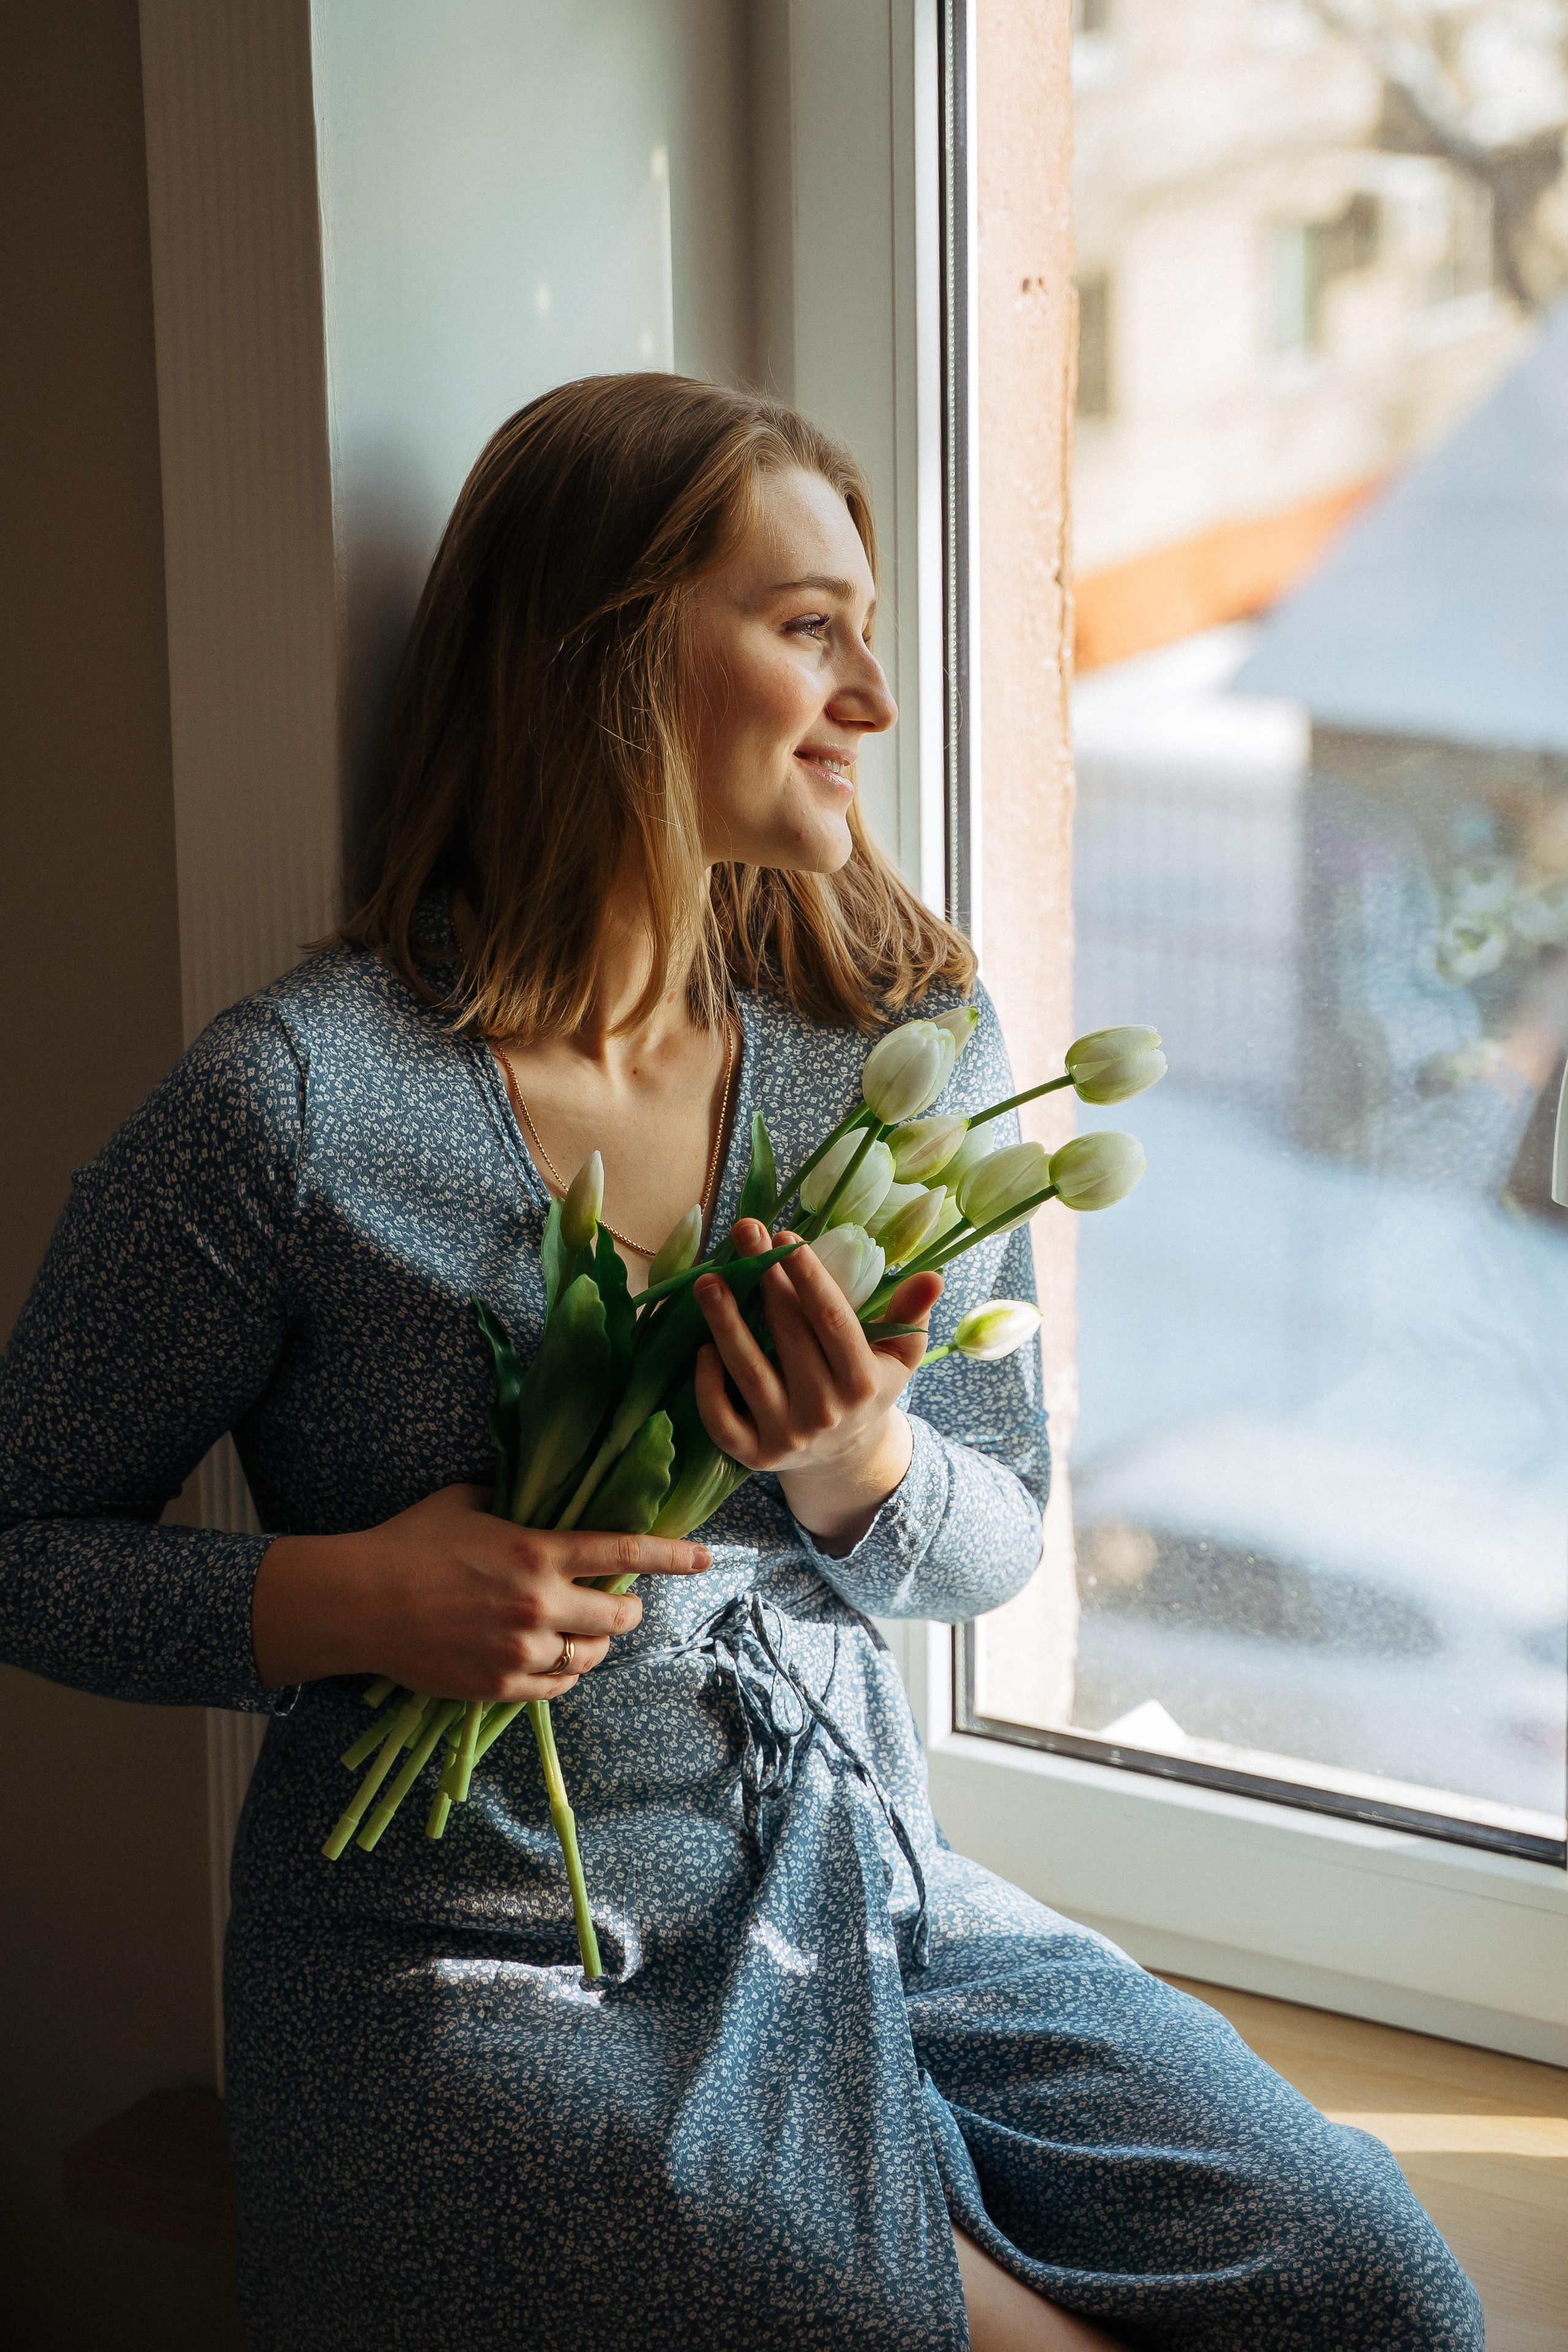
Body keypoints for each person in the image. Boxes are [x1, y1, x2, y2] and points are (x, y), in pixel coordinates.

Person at [0, 375, 1482, 2351]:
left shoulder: (892, 1038)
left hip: (858, 1889)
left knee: (1376, 2284)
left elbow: (994, 1533)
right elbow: (21, 1537)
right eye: (808, 630)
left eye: (866, 632)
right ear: (606, 656)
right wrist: (343, 1595)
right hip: (461, 1958)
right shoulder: (300, 1104)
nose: (873, 694)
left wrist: (865, 1459)